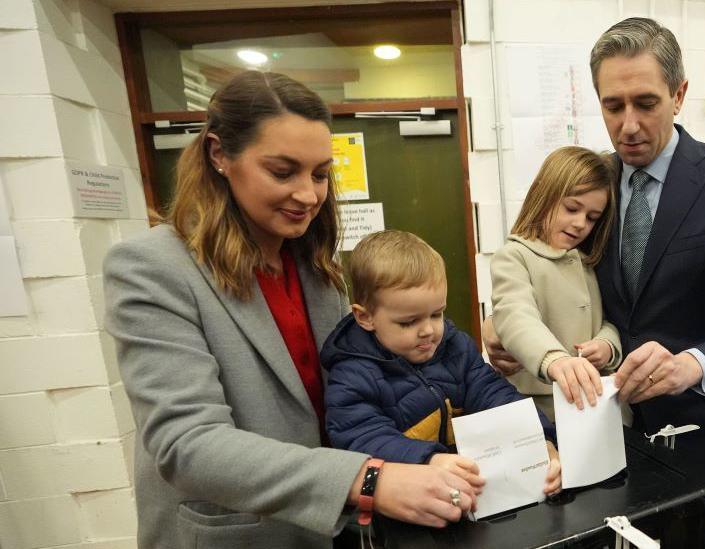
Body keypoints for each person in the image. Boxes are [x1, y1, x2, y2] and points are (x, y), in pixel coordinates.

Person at [104, 71, 478, 549]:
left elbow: (363, 377)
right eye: (283, 172)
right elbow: (187, 445)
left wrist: (456, 378)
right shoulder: (153, 267)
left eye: (320, 174)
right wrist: (369, 478)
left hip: (327, 528)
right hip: (238, 534)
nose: (308, 195)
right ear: (219, 155)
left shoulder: (313, 263)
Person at [485, 18, 705, 548]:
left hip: (700, 435)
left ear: (679, 94)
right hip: (595, 433)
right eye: (612, 105)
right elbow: (545, 267)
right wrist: (501, 324)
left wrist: (693, 364)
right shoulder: (592, 186)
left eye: (645, 103)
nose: (628, 125)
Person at [323, 230, 562, 496]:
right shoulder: (352, 375)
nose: (428, 330)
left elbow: (494, 394)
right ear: (365, 317)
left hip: (464, 494)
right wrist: (430, 460)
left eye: (436, 314)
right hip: (404, 514)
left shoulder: (453, 347)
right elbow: (363, 439)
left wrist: (540, 438)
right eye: (408, 322)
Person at [489, 146, 623, 421]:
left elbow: (608, 320)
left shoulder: (587, 260)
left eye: (592, 218)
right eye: (572, 208)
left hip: (595, 403)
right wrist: (554, 360)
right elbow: (516, 315)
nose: (580, 224)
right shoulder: (515, 256)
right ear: (545, 195)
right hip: (541, 409)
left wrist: (607, 345)